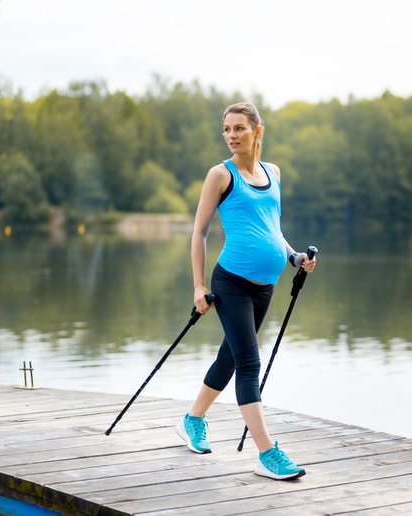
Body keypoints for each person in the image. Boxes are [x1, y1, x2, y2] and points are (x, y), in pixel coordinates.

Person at [176, 101, 316, 480]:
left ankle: (192, 419)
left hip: (266, 287)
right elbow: (200, 232)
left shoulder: (274, 172)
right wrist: (199, 285)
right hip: (231, 282)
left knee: (232, 358)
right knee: (249, 363)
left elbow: (273, 228)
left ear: (257, 131)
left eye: (239, 128)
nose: (232, 136)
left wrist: (294, 256)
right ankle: (267, 453)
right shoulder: (220, 175)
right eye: (226, 129)